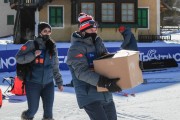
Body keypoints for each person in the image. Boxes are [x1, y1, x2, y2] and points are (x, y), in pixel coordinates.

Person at [66, 13, 121, 120]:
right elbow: (81, 72)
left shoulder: (99, 44)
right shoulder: (76, 48)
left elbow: (107, 64)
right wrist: (105, 82)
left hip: (106, 94)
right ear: (83, 30)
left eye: (95, 29)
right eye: (90, 29)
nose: (94, 31)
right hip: (89, 96)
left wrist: (120, 76)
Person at [16, 22, 63, 120]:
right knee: (32, 110)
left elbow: (55, 66)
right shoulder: (31, 44)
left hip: (48, 84)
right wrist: (33, 54)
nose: (47, 33)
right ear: (40, 32)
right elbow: (18, 58)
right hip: (33, 83)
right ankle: (26, 117)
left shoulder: (52, 46)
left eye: (49, 31)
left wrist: (59, 82)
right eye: (45, 31)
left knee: (48, 114)